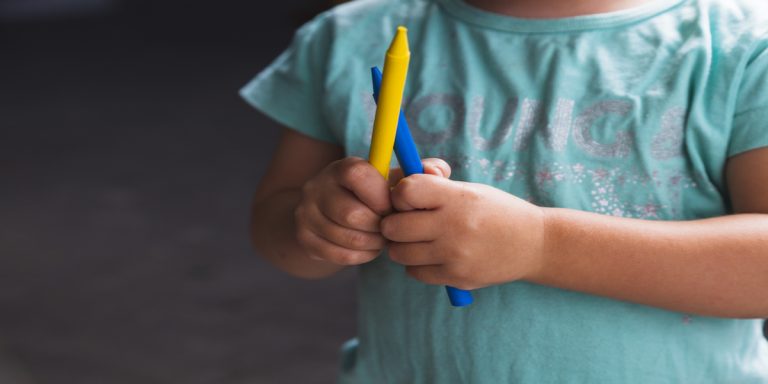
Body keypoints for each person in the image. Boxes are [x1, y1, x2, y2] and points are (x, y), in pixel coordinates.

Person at [240, 0, 768, 382]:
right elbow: (280, 236)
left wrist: (542, 244)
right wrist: (322, 225)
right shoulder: (349, 36)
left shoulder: (744, 46)